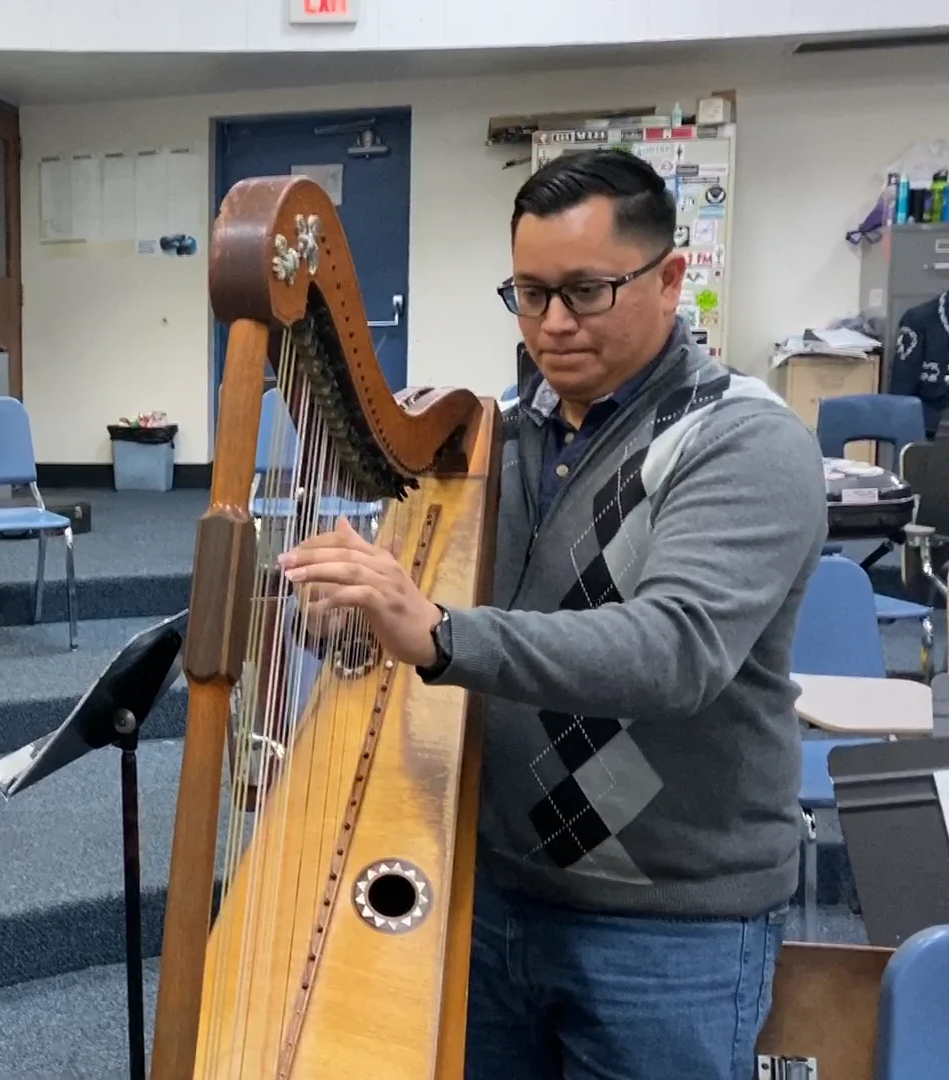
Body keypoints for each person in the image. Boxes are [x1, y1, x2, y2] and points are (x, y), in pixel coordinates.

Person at [279, 149, 828, 1079]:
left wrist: (442, 634)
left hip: (671, 925)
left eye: (586, 291)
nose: (554, 324)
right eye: (529, 295)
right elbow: (435, 621)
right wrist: (349, 604)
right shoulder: (497, 438)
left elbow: (675, 652)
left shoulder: (744, 440)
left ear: (669, 278)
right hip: (487, 890)